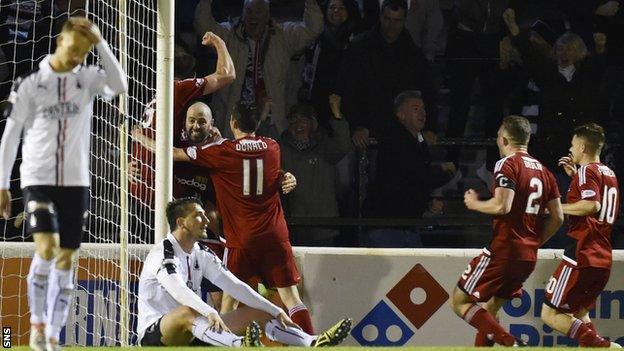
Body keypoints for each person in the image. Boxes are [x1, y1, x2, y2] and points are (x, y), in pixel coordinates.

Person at [135, 102, 317, 335]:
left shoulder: (222, 152)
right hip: (274, 236)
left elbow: (173, 153)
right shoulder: (273, 147)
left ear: (232, 123)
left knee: (228, 305)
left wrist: (139, 137)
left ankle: (224, 344)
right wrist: (285, 177)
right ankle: (311, 343)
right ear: (258, 123)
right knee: (292, 299)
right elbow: (267, 174)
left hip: (241, 240)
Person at [0, 17, 127, 351]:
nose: (75, 58)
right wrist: (3, 185)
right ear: (59, 41)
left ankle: (53, 335)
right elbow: (10, 136)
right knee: (45, 247)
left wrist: (99, 42)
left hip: (76, 183)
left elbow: (120, 85)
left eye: (82, 54)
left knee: (67, 260)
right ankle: (37, 325)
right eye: (73, 49)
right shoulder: (30, 83)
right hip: (37, 180)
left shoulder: (85, 80)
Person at [137, 197, 352, 347]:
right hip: (158, 334)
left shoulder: (201, 251)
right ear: (181, 223)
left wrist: (275, 310)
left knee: (260, 312)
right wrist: (209, 311)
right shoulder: (162, 253)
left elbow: (235, 285)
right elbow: (178, 290)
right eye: (199, 216)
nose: (207, 220)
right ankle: (242, 345)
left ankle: (312, 341)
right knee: (188, 311)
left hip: (196, 329)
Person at [451, 116, 563, 347]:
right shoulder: (544, 171)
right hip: (527, 255)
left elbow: (503, 205)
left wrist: (475, 204)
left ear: (503, 139)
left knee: (459, 301)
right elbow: (558, 217)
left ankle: (511, 343)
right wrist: (533, 242)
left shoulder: (507, 164)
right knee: (490, 310)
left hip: (504, 249)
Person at [130, 31, 236, 209]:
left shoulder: (158, 97)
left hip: (139, 178)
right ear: (193, 76)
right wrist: (219, 43)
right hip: (157, 181)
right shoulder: (179, 89)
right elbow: (227, 75)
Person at [193, 0, 324, 138]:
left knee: (267, 157)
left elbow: (313, 28)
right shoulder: (229, 34)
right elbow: (203, 26)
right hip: (234, 119)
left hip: (272, 121)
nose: (253, 16)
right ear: (243, 14)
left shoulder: (282, 36)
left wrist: (311, 2)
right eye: (249, 11)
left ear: (267, 16)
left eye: (258, 12)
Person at [541, 124, 621, 348]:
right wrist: (576, 177)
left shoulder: (588, 171)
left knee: (550, 314)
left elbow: (591, 205)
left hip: (581, 252)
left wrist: (555, 208)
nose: (571, 148)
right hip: (602, 254)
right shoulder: (608, 173)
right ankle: (597, 346)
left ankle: (604, 347)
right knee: (580, 315)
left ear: (583, 146)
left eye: (573, 144)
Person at [362, 90, 455, 247]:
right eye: (415, 109)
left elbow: (412, 180)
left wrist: (426, 202)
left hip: (404, 224)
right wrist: (445, 172)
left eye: (423, 109)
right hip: (388, 225)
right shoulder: (396, 140)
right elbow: (414, 176)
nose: (422, 113)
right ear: (401, 114)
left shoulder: (417, 141)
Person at [279, 103, 351, 246]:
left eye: (303, 120)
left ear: (313, 124)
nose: (298, 125)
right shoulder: (281, 148)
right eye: (293, 121)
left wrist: (337, 116)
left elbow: (343, 146)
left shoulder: (325, 146)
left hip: (323, 226)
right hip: (293, 225)